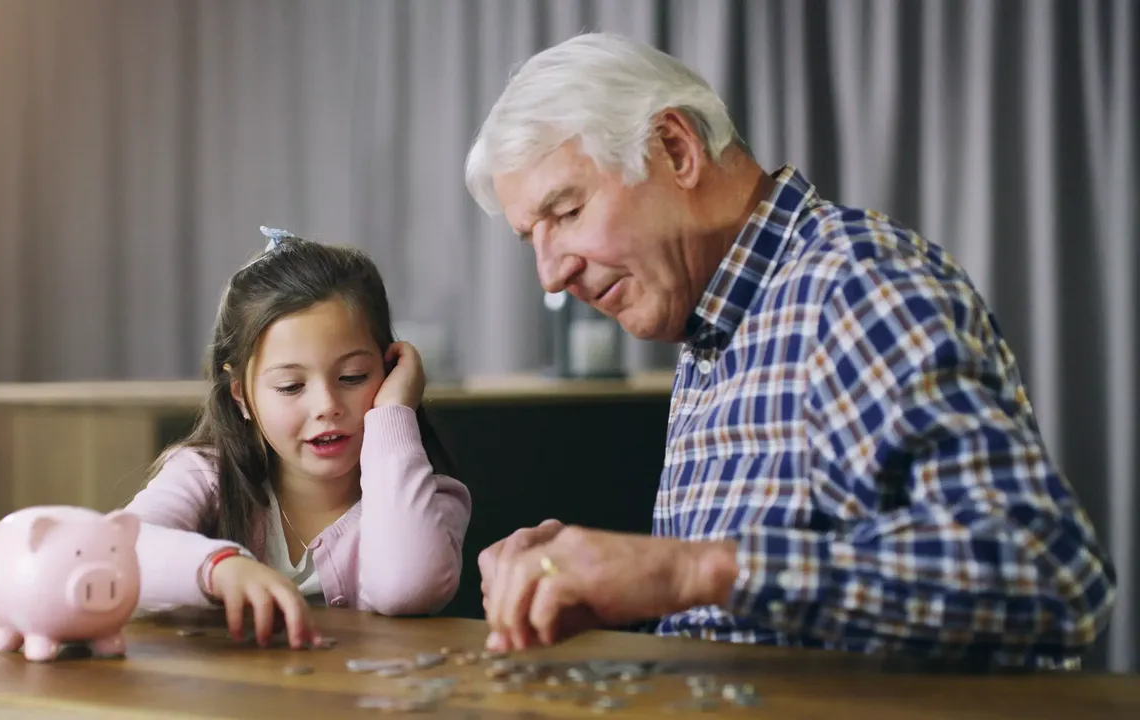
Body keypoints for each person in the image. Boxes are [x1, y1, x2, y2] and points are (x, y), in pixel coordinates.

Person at [464, 32, 1115, 670]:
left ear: (675, 148)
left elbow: (1049, 574)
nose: (551, 275)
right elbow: (756, 620)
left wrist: (684, 570)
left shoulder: (858, 286)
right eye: (532, 239)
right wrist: (609, 594)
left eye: (568, 211)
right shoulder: (712, 314)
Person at [124, 227, 472, 649]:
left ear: (388, 371)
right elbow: (121, 553)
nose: (327, 405)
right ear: (241, 395)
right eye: (290, 386)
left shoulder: (423, 498)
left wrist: (394, 412)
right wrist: (218, 568)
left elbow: (407, 587)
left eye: (353, 377)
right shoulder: (205, 475)